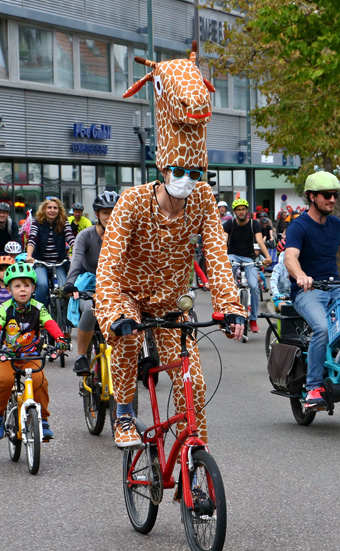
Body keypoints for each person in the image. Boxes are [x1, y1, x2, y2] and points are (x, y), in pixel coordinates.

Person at [95, 166, 246, 448]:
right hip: (129, 294)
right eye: (178, 171)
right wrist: (113, 311)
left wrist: (229, 306)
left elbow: (216, 256)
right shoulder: (133, 200)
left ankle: (192, 461)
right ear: (163, 169)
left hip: (171, 302)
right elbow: (109, 263)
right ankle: (124, 414)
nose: (187, 180)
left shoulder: (202, 198)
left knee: (195, 383)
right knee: (128, 339)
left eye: (195, 173)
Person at [284, 171, 340, 409]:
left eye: (335, 195)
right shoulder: (299, 226)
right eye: (327, 195)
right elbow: (290, 257)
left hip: (336, 288)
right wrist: (301, 276)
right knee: (322, 327)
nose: (333, 199)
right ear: (312, 197)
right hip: (309, 292)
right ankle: (312, 388)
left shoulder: (334, 223)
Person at [0, 262, 69, 441]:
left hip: (32, 355)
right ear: (9, 289)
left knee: (40, 382)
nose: (22, 290)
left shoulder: (39, 308)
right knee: (5, 381)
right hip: (8, 356)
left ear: (33, 288)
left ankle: (44, 420)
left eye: (26, 285)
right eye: (17, 286)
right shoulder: (5, 308)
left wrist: (60, 339)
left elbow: (50, 323)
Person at [64, 191, 118, 375]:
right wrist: (70, 283)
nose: (110, 217)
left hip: (115, 286)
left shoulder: (124, 236)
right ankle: (80, 356)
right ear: (97, 214)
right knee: (90, 309)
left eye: (114, 212)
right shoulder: (85, 236)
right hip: (88, 286)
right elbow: (76, 261)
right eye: (106, 213)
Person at [224, 198, 272, 333]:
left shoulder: (254, 224)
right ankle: (229, 314)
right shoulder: (229, 224)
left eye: (243, 209)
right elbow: (223, 241)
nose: (241, 212)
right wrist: (221, 258)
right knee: (229, 284)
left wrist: (267, 256)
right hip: (232, 256)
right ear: (234, 212)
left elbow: (259, 240)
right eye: (238, 210)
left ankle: (253, 318)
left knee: (254, 286)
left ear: (247, 211)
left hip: (249, 258)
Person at [25, 196, 74, 304]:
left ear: (59, 210)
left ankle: (65, 317)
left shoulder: (64, 221)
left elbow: (70, 238)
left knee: (64, 287)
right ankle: (38, 314)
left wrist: (77, 252)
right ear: (44, 209)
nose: (52, 210)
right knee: (42, 285)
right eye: (49, 207)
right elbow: (32, 239)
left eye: (55, 208)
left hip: (59, 262)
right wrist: (29, 256)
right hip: (41, 262)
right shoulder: (37, 222)